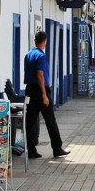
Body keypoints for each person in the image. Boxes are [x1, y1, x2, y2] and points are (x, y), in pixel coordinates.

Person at [24, 31, 70, 159]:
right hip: (40, 89)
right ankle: (57, 148)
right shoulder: (41, 55)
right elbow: (40, 74)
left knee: (31, 121)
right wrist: (44, 94)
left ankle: (31, 149)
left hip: (30, 89)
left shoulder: (28, 55)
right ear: (44, 41)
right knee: (50, 120)